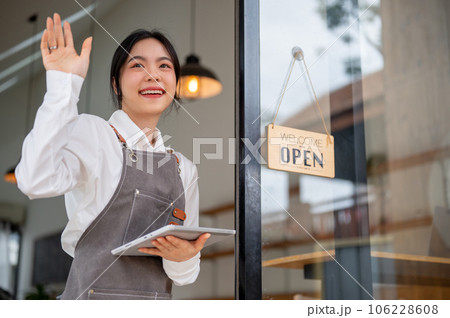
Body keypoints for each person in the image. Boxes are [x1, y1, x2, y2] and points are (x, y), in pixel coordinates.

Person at [16, 13, 210, 300]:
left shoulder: (184, 169)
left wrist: (182, 255)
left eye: (164, 66)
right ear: (116, 84)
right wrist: (63, 88)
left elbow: (184, 277)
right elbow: (34, 181)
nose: (153, 74)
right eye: (137, 65)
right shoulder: (93, 134)